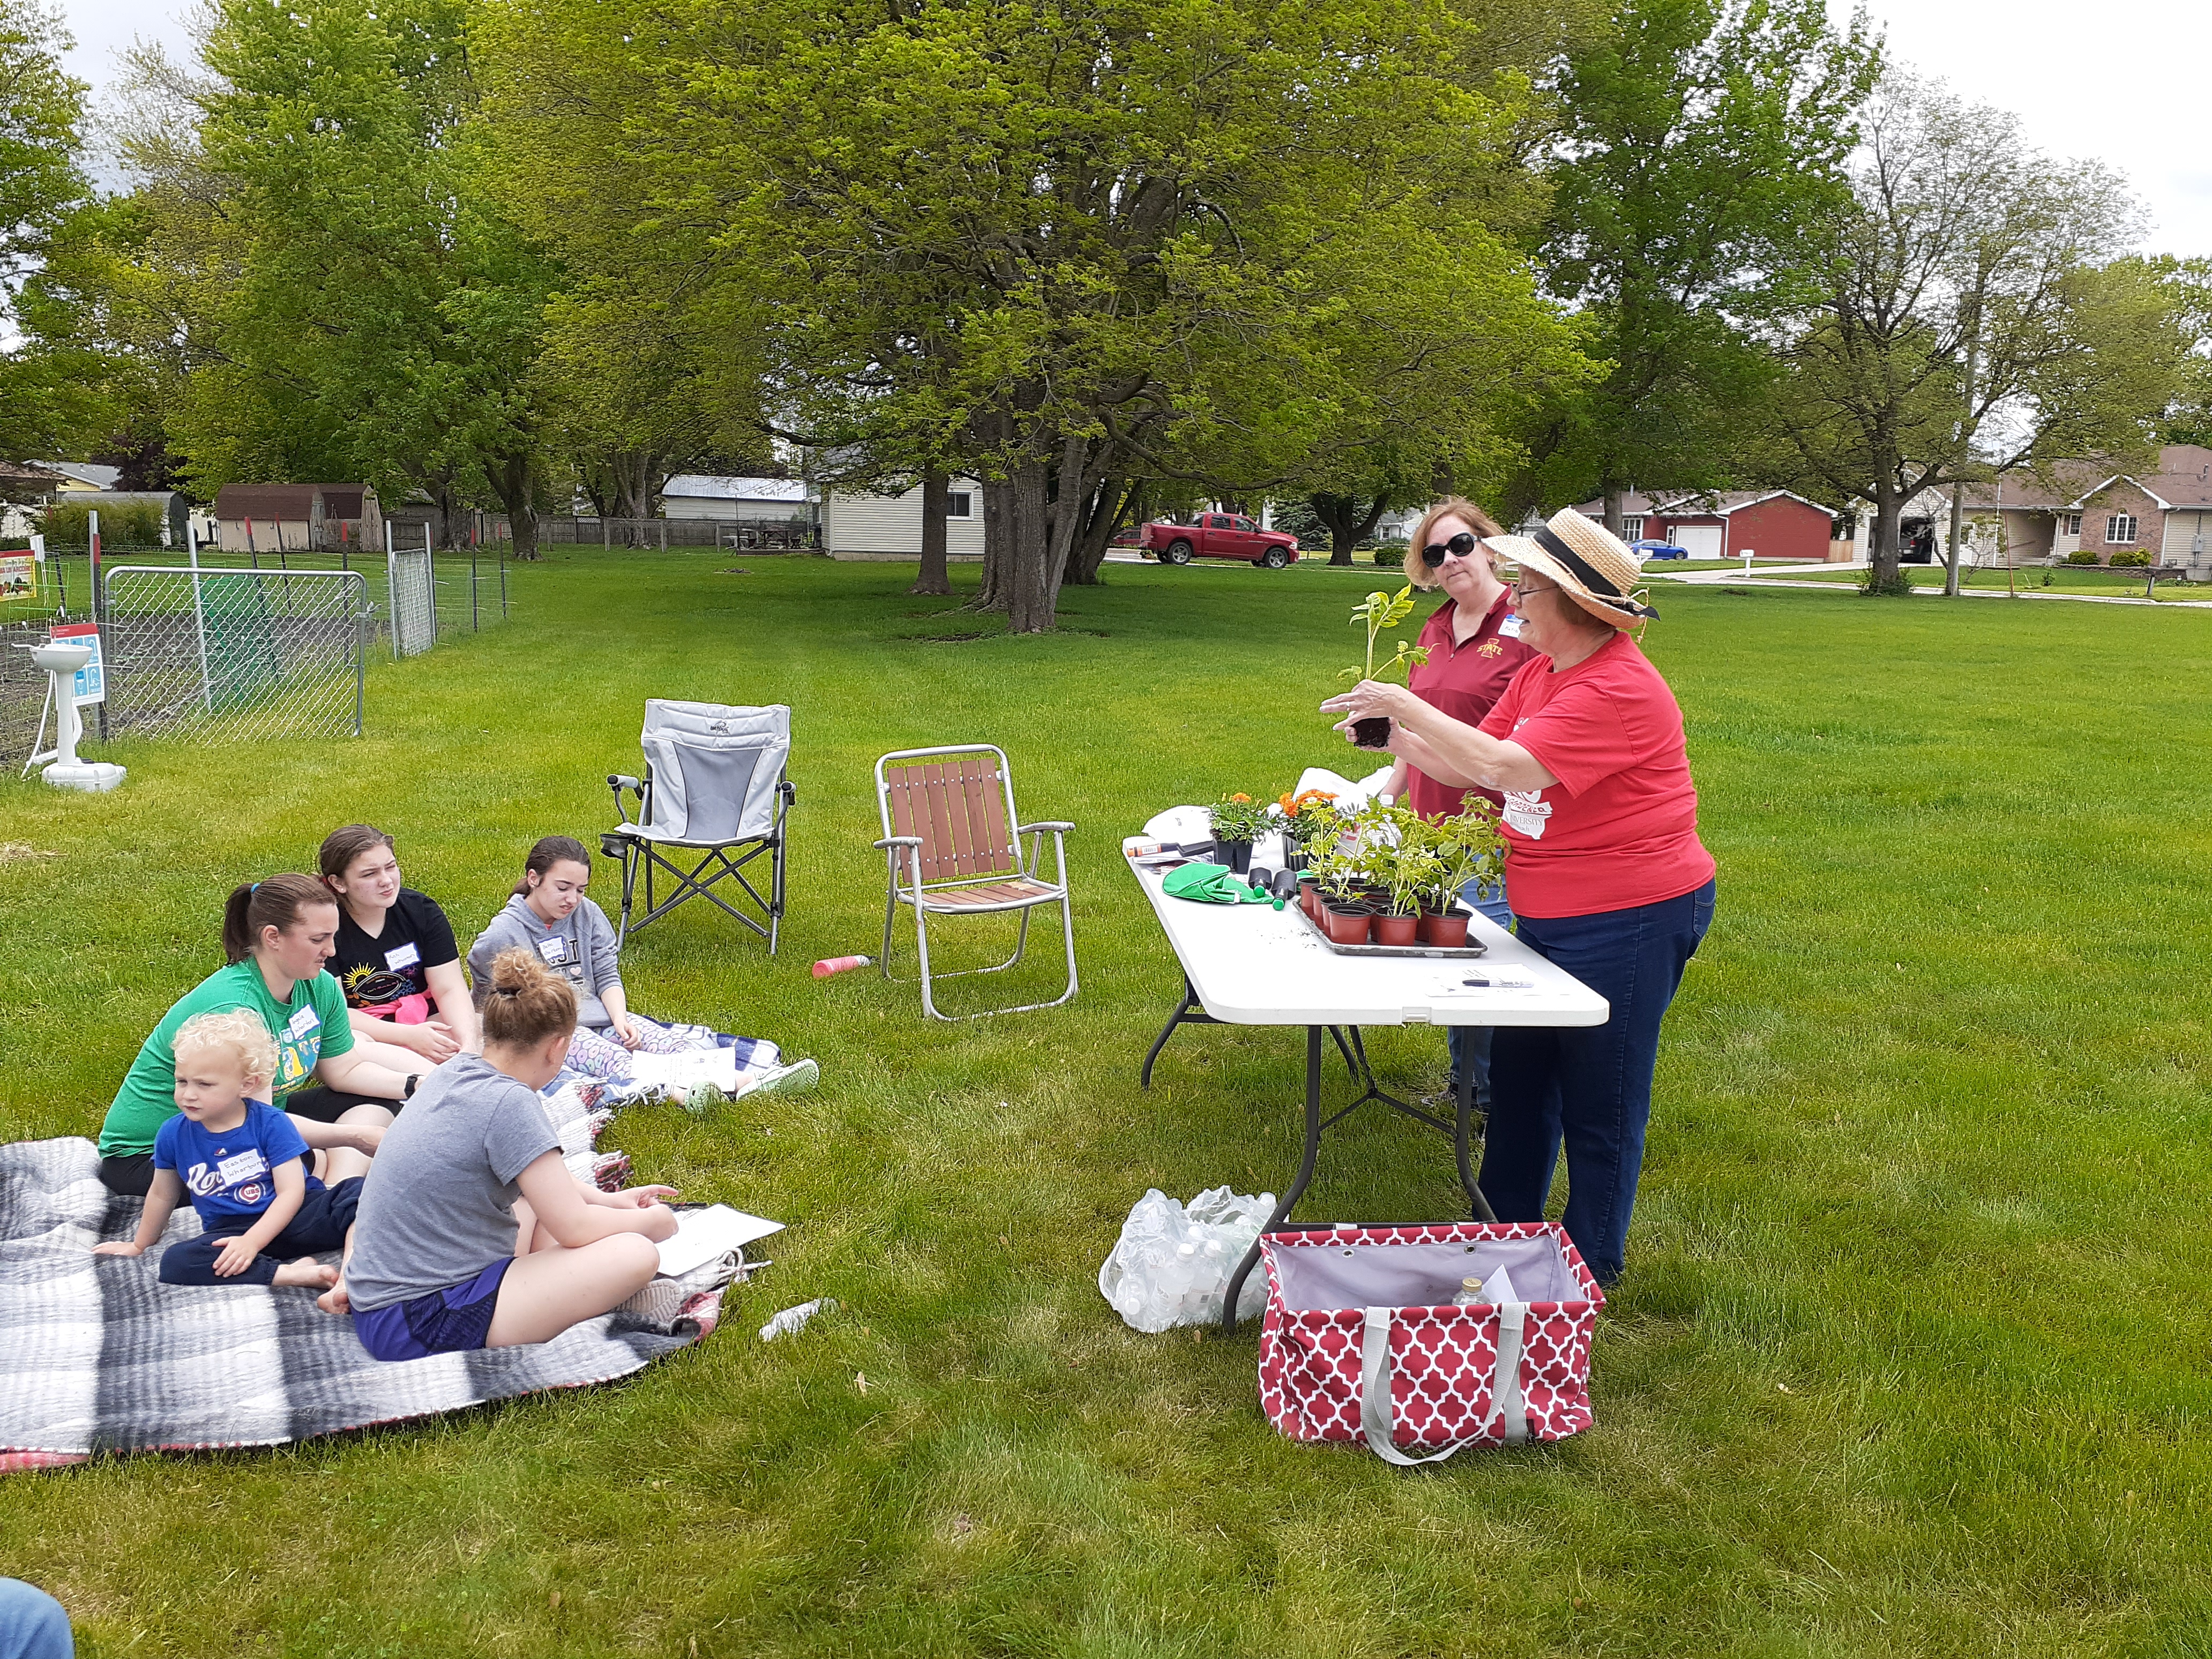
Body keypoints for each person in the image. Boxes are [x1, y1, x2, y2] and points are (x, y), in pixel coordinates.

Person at [1321, 507, 1716, 1286]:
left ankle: (1588, 1269)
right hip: (1547, 909)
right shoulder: (1544, 671)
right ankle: (1499, 1242)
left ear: (1574, 604)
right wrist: (1396, 738)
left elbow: (1506, 768)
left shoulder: (1616, 688)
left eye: (1530, 585)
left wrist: (1405, 703)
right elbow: (1472, 766)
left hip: (1629, 917)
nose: (1517, 597)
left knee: (1599, 1100)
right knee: (1522, 1081)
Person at [326, 947, 679, 1358]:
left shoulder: (455, 1072)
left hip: (387, 1298)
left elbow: (543, 1181)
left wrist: (609, 1202)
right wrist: (651, 1222)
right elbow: (575, 1228)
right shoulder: (510, 1104)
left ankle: (554, 1293)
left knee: (534, 1208)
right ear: (557, 1048)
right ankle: (566, 1298)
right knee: (635, 1253)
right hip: (420, 1318)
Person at [96, 875, 423, 1197]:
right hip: (148, 1158)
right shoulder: (237, 1011)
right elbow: (255, 1125)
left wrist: (416, 1085)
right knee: (297, 1160)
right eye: (318, 939)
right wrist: (353, 1136)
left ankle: (331, 1192)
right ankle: (334, 1199)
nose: (332, 950)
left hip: (245, 1122)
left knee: (377, 1102)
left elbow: (344, 1071)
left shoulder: (319, 986)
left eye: (334, 936)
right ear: (273, 937)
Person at [1374, 497, 1537, 1107]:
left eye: (1461, 545)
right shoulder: (1434, 627)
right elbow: (1417, 728)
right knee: (1447, 954)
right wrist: (1389, 793)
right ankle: (1465, 1082)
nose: (1450, 562)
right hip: (1428, 821)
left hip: (1488, 826)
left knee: (1482, 961)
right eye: (1435, 554)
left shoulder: (1523, 624)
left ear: (1490, 546)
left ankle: (1492, 1094)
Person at [467, 836, 812, 1091]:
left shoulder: (587, 914)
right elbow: (489, 999)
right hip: (554, 1031)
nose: (573, 899)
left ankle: (720, 1085)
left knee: (670, 1043)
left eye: (581, 889)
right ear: (533, 879)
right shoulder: (503, 934)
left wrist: (620, 1020)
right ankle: (735, 1084)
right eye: (563, 887)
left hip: (599, 1015)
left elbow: (605, 973)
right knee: (614, 1061)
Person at [92, 1010, 367, 1289]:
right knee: (178, 1261)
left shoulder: (270, 1123)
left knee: (361, 1194)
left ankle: (351, 1276)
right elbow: (163, 1194)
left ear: (246, 1085)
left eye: (204, 1084)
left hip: (299, 1216)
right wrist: (139, 1245)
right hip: (233, 1230)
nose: (188, 1094)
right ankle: (289, 1275)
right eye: (182, 1081)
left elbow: (292, 1191)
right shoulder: (172, 1135)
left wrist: (254, 1242)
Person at [319, 823, 481, 1063]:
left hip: (427, 1020)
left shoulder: (421, 910)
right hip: (366, 1031)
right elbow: (338, 1014)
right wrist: (408, 1036)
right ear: (338, 883)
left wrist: (468, 1046)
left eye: (391, 867)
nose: (386, 881)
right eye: (369, 874)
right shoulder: (325, 927)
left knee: (488, 1025)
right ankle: (427, 1083)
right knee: (349, 1049)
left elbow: (449, 988)